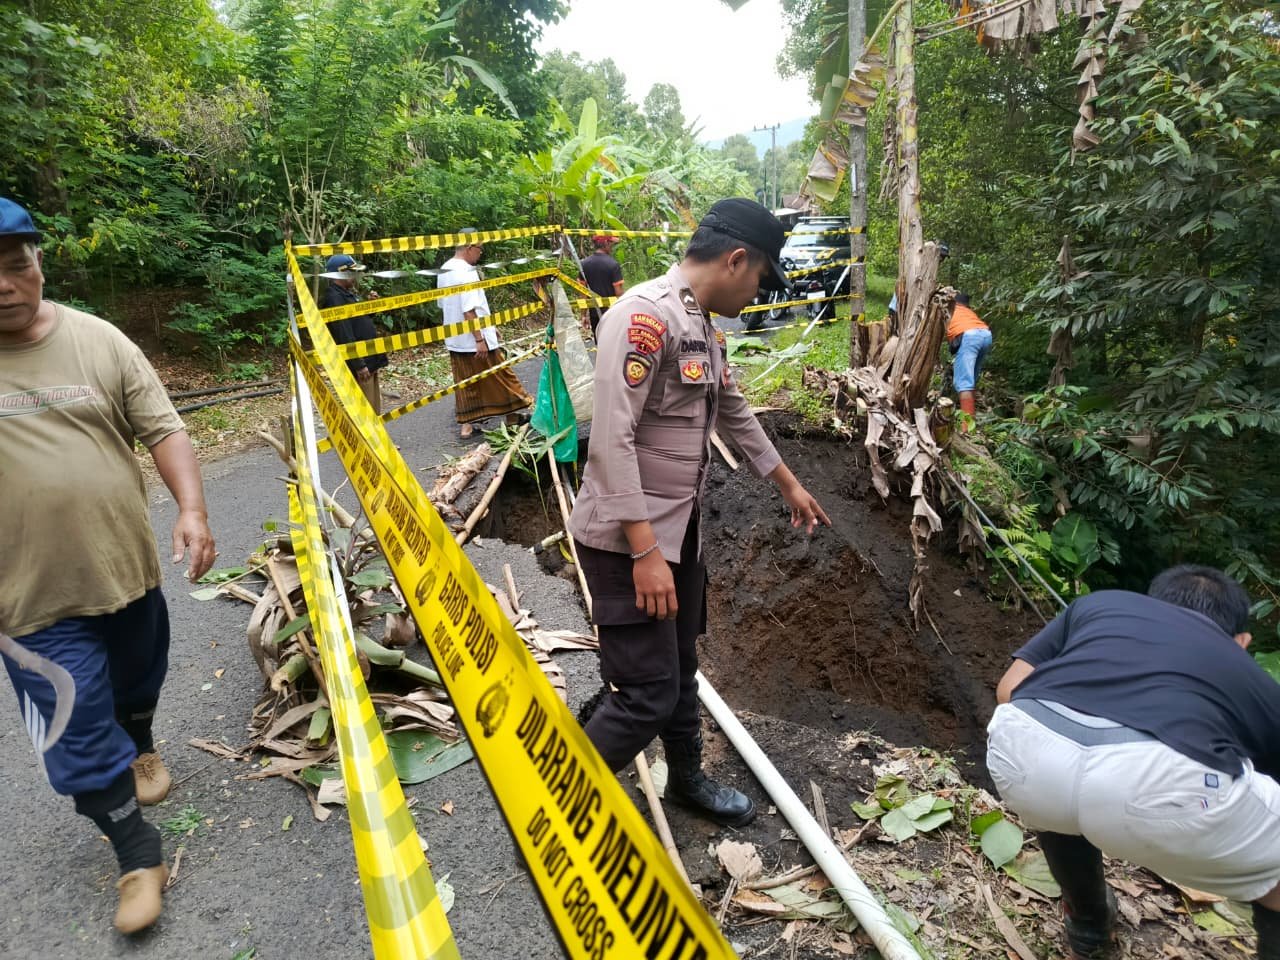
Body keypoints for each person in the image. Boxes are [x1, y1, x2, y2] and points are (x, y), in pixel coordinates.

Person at [569, 198, 830, 826]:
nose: (761, 294)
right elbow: (610, 442)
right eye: (763, 280)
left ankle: (686, 780)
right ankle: (555, 801)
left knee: (681, 666)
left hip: (675, 535)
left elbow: (733, 410)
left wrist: (788, 483)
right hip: (625, 541)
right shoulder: (641, 320)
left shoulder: (698, 325)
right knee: (648, 694)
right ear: (737, 260)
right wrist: (644, 552)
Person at [0, 198, 217, 933]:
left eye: (14, 264)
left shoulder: (99, 341)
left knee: (136, 678)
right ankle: (136, 851)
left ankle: (144, 745)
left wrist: (192, 509)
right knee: (76, 727)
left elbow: (164, 428)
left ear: (37, 263)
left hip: (124, 571)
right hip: (23, 602)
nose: (3, 283)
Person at [987, 566, 1280, 960]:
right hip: (1163, 784)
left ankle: (1088, 929)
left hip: (1024, 749)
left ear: (1149, 604)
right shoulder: (1252, 679)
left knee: (1061, 776)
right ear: (1241, 641)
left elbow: (1009, 691)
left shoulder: (1101, 606)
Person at [439, 229, 532, 440]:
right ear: (470, 247)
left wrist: (489, 325)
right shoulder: (467, 272)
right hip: (474, 340)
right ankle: (513, 414)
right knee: (502, 375)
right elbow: (469, 309)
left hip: (455, 339)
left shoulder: (444, 269)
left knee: (467, 384)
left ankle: (469, 426)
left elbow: (443, 304)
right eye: (480, 249)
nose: (481, 253)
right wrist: (480, 338)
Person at [320, 253, 388, 414]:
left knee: (372, 408)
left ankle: (373, 439)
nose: (355, 276)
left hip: (369, 360)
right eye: (352, 272)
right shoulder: (334, 298)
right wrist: (359, 364)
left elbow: (356, 322)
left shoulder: (345, 293)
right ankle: (365, 439)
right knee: (363, 411)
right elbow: (343, 333)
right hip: (360, 365)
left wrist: (370, 307)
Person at [947, 291, 991, 427]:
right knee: (971, 379)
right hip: (986, 334)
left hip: (969, 336)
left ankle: (967, 429)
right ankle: (970, 420)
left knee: (963, 383)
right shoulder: (967, 311)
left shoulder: (948, 309)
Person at [580, 234, 624, 337]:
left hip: (594, 313)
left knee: (599, 343)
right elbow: (619, 293)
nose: (612, 247)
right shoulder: (613, 264)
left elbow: (582, 292)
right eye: (611, 243)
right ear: (605, 243)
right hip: (612, 313)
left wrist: (583, 315)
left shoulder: (584, 264)